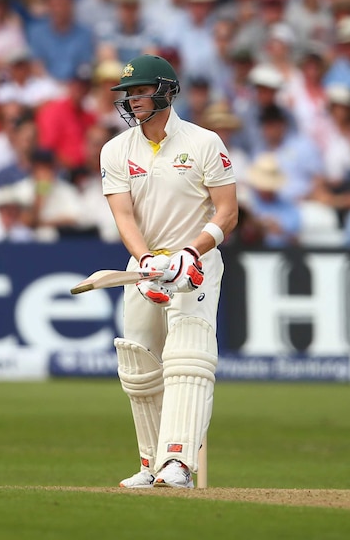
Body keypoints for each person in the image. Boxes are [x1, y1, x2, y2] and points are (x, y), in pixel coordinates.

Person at [100, 54, 238, 489]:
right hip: (145, 266)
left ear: (165, 91)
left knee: (188, 359)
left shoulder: (204, 142)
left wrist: (189, 253)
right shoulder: (116, 149)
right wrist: (145, 261)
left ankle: (178, 462)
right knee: (139, 364)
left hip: (192, 265)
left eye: (140, 91)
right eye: (128, 93)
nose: (132, 100)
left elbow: (228, 212)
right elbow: (124, 216)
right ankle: (149, 462)